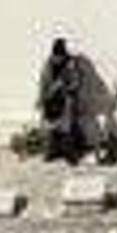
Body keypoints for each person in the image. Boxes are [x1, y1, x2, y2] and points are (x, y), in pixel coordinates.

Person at [37, 36, 85, 164]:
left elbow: (75, 82)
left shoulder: (70, 64)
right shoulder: (48, 66)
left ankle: (69, 153)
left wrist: (65, 87)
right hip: (50, 101)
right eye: (55, 56)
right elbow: (43, 84)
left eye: (59, 57)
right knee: (50, 127)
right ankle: (51, 152)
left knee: (66, 128)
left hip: (65, 101)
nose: (57, 59)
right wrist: (42, 98)